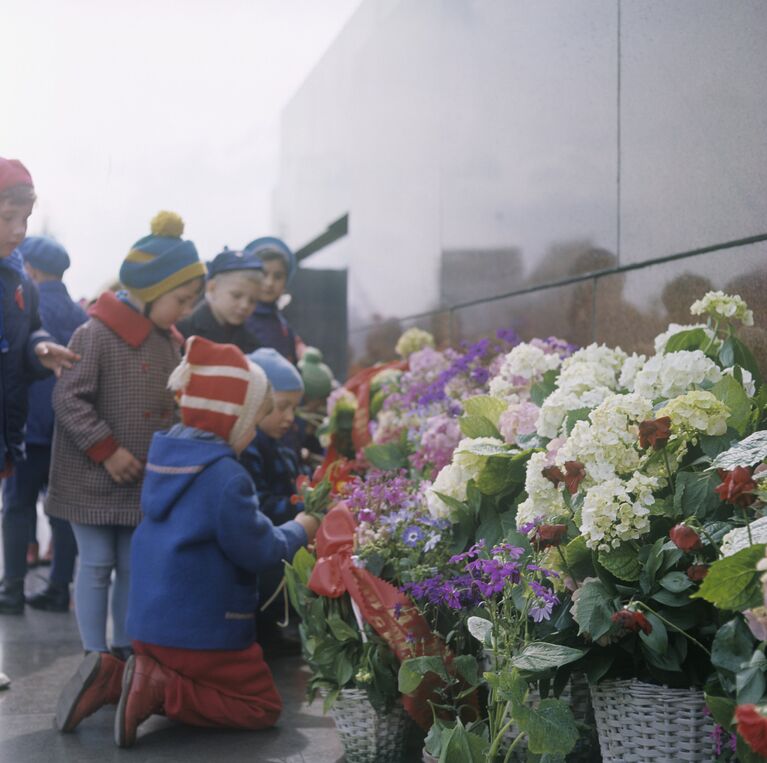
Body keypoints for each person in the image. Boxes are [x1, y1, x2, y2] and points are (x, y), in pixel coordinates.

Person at [54, 336, 318, 747]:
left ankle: (115, 678)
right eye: (254, 421)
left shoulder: (166, 459)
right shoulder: (226, 477)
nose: (253, 435)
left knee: (189, 677)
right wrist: (303, 527)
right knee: (260, 706)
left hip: (146, 627)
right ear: (232, 420)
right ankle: (159, 687)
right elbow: (260, 550)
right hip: (201, 632)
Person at [45, 211, 206, 656]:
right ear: (152, 290)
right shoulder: (94, 334)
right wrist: (108, 450)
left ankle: (122, 647)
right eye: (182, 299)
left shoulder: (170, 341)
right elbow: (68, 399)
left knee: (134, 566)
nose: (188, 310)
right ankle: (94, 656)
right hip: (92, 479)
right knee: (96, 564)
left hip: (140, 481)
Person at [0, 158, 80, 614]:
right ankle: (56, 584)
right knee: (57, 509)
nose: (18, 230)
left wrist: (40, 348)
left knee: (18, 509)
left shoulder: (21, 288)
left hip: (18, 431)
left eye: (25, 220)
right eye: (8, 218)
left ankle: (11, 588)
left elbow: (27, 336)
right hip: (51, 433)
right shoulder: (78, 311)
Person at [242, 348, 305, 526]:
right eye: (282, 406)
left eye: (294, 409)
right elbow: (262, 507)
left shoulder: (278, 446)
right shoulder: (247, 449)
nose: (290, 417)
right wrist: (309, 510)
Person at [177, 247, 263, 353]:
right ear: (212, 288)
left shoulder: (253, 345)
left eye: (252, 300)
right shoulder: (182, 333)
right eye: (236, 296)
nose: (244, 305)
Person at [242, 237, 301, 364]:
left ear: (286, 282)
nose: (269, 283)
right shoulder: (240, 317)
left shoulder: (283, 325)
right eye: (264, 274)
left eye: (278, 277)